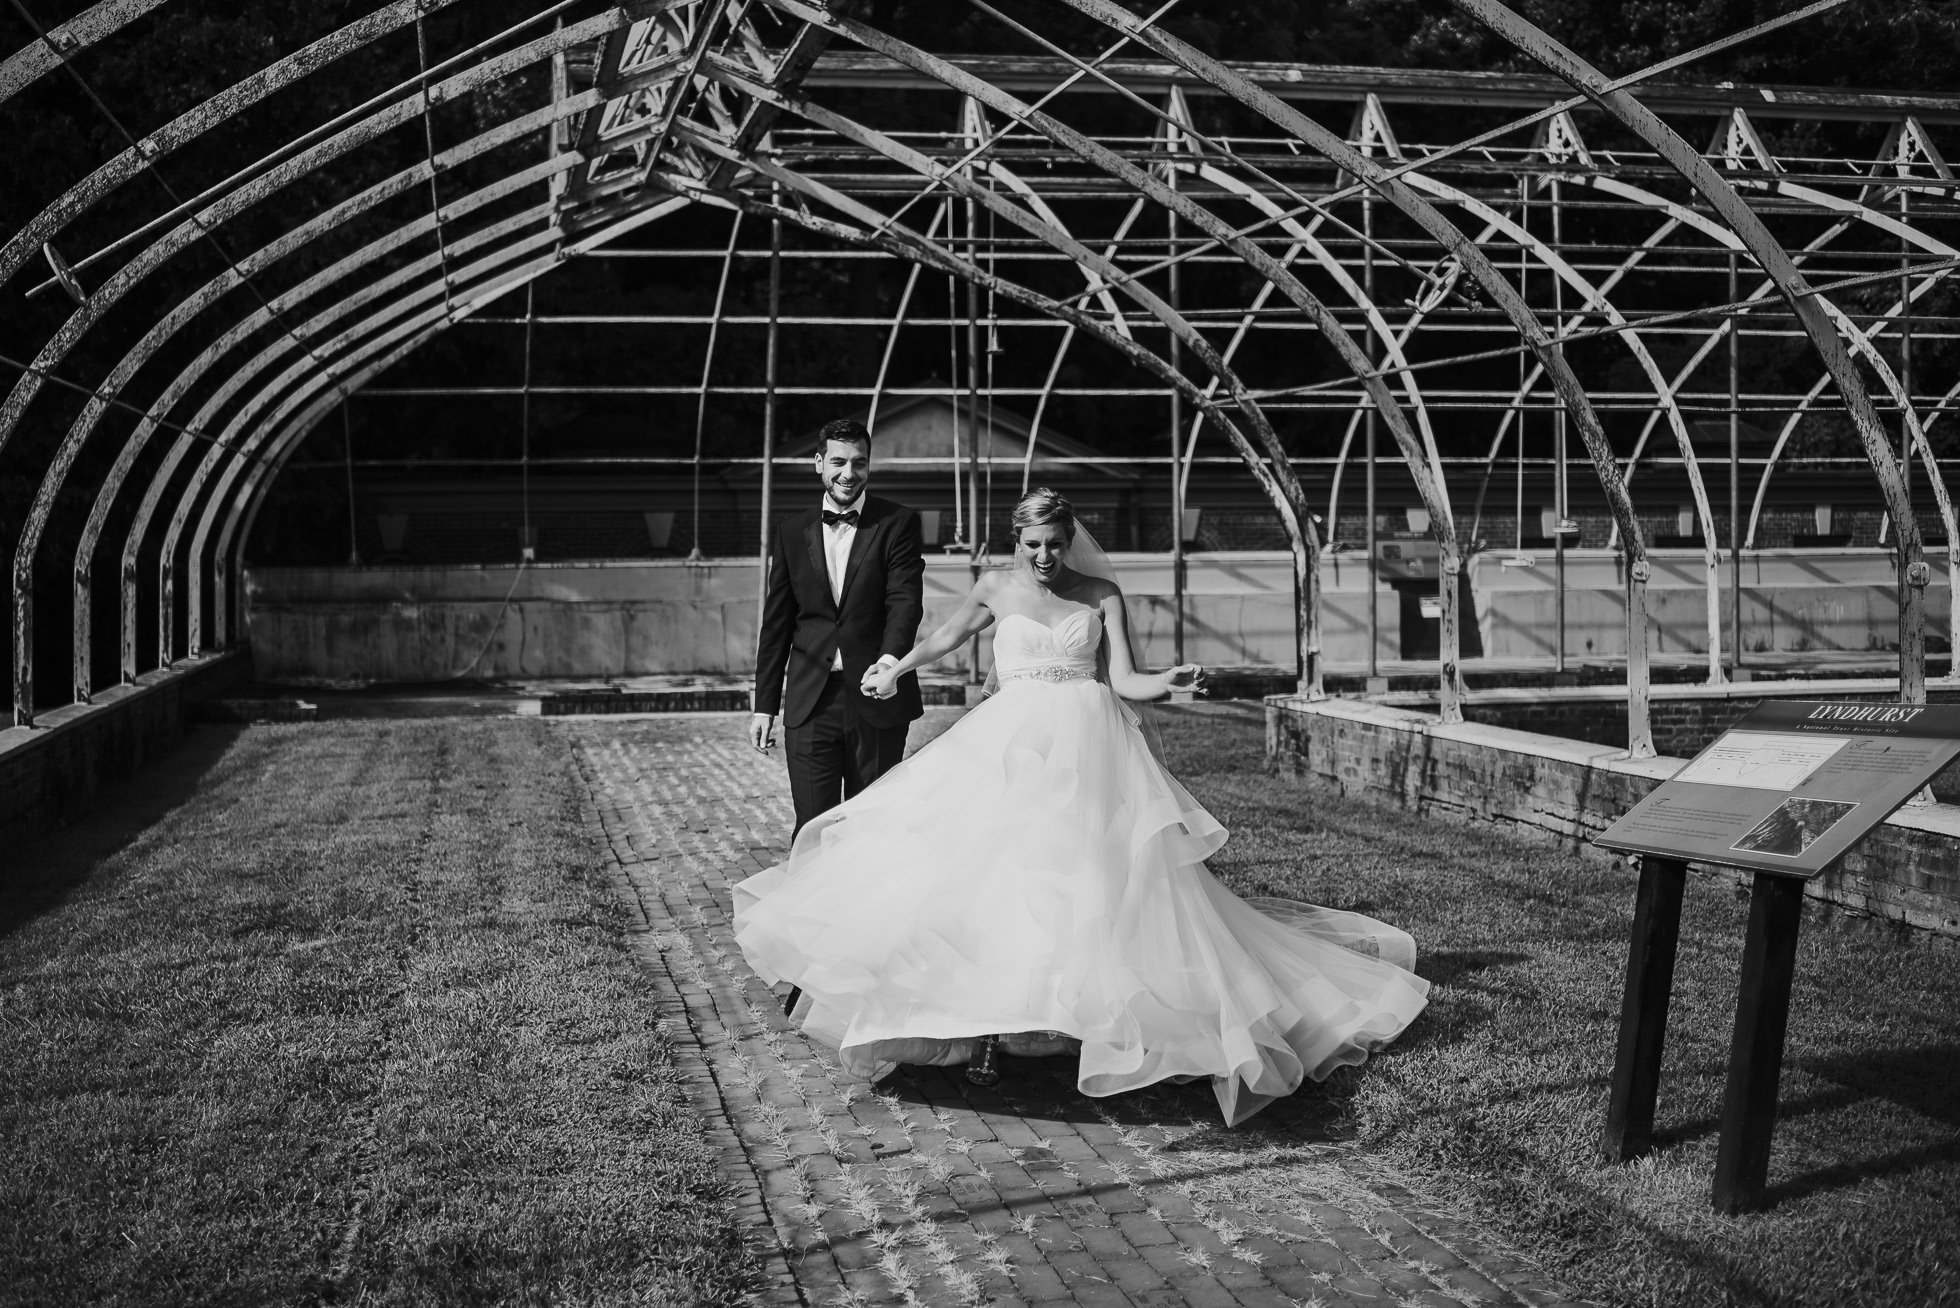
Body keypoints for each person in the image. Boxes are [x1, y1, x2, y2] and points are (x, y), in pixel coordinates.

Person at [734, 488, 1429, 1126]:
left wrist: (1171, 679)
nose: (1044, 557)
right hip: (1011, 743)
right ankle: (977, 1027)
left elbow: (1122, 677)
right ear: (1018, 542)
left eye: (1055, 544)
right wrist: (897, 667)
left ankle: (1070, 1024)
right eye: (1033, 544)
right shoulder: (996, 587)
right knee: (989, 875)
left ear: (1070, 541)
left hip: (1090, 750)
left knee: (1091, 883)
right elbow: (948, 637)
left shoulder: (1100, 594)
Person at [750, 418, 926, 838]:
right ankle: (809, 906)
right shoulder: (792, 532)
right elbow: (777, 622)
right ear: (819, 463)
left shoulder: (899, 523)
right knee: (813, 827)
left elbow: (904, 601)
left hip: (875, 696)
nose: (850, 474)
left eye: (860, 463)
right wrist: (764, 704)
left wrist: (889, 663)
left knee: (872, 826)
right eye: (839, 462)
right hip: (811, 701)